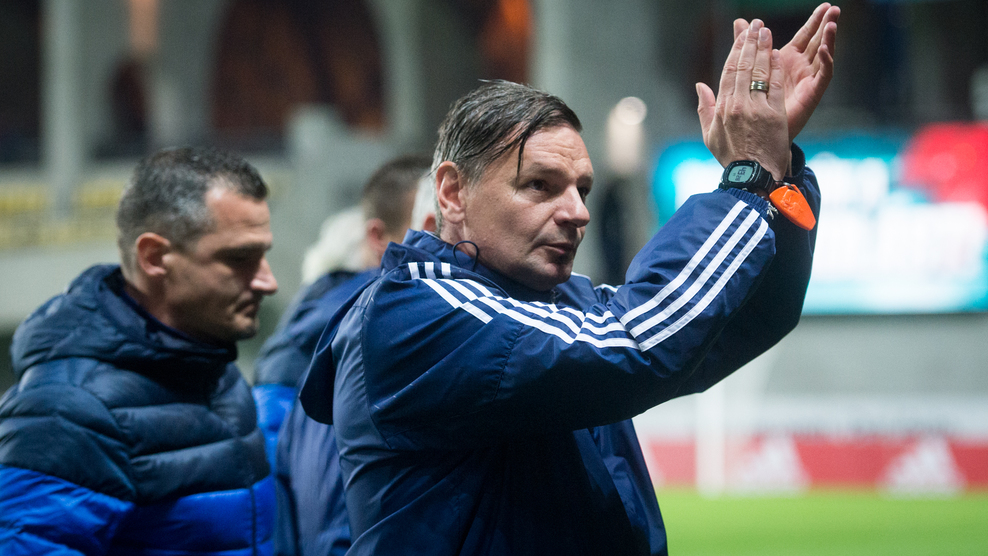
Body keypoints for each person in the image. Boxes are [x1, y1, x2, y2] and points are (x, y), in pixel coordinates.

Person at [299, 4, 839, 555]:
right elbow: (637, 342)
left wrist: (779, 169)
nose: (577, 212)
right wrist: (748, 177)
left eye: (582, 189)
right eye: (540, 185)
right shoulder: (415, 312)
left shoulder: (559, 304)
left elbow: (751, 318)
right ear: (453, 193)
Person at [0, 147, 279, 555]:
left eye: (263, 255)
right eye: (239, 258)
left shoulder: (215, 372)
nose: (268, 282)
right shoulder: (69, 411)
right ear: (154, 257)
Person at [251, 155, 432, 556]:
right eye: (432, 228)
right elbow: (334, 526)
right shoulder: (368, 339)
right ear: (377, 238)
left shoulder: (312, 329)